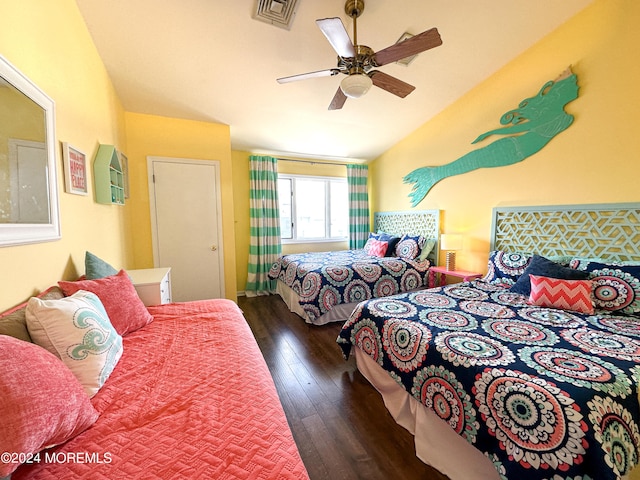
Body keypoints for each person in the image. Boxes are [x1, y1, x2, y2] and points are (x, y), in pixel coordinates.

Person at [403, 68, 579, 207]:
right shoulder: (563, 118)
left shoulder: (559, 117)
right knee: (475, 159)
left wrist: (491, 132)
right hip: (515, 148)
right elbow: (524, 126)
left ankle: (435, 174)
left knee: (475, 159)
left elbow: (523, 127)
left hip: (513, 150)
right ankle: (435, 174)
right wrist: (492, 133)